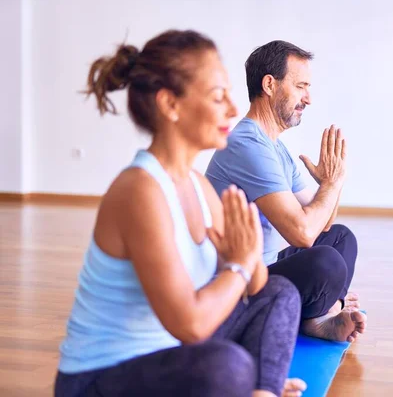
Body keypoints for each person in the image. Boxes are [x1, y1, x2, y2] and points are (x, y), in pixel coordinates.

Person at [54, 30, 306, 397]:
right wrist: (238, 264)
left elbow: (253, 288)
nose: (233, 110)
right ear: (170, 104)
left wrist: (248, 259)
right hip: (99, 379)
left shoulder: (199, 187)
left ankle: (262, 392)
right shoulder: (139, 191)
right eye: (217, 96)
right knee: (227, 367)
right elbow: (190, 324)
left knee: (280, 292)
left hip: (170, 355)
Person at [206, 40, 367, 343]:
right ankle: (322, 313)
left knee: (341, 238)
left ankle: (315, 315)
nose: (308, 98)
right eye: (301, 86)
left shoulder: (275, 148)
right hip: (235, 286)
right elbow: (303, 234)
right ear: (270, 84)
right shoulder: (248, 145)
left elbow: (324, 224)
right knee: (327, 263)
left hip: (263, 269)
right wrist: (330, 185)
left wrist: (333, 181)